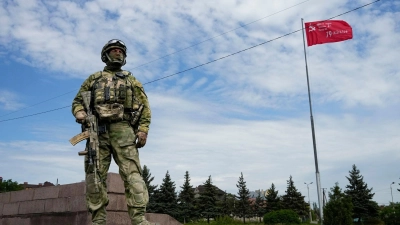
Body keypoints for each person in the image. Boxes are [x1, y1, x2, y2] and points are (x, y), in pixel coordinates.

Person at [72, 39, 153, 225]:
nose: (118, 53)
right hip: (96, 131)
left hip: (123, 129)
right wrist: (81, 113)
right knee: (94, 175)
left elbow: (145, 107)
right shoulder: (94, 79)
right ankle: (98, 220)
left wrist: (143, 130)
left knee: (133, 174)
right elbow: (77, 101)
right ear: (106, 55)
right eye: (114, 50)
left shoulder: (131, 80)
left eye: (120, 51)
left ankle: (139, 219)